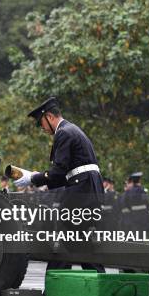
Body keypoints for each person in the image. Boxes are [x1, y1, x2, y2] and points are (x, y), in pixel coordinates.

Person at [15, 97, 104, 273]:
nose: (42, 128)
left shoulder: (63, 132)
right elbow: (63, 176)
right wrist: (37, 177)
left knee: (65, 238)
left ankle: (53, 288)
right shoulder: (72, 129)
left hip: (81, 188)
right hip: (86, 186)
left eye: (41, 122)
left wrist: (33, 178)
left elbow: (58, 170)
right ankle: (98, 287)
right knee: (79, 241)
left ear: (49, 116)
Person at [119, 172, 149, 296]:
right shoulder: (144, 192)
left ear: (131, 182)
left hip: (132, 228)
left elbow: (125, 211)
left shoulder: (127, 194)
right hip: (146, 227)